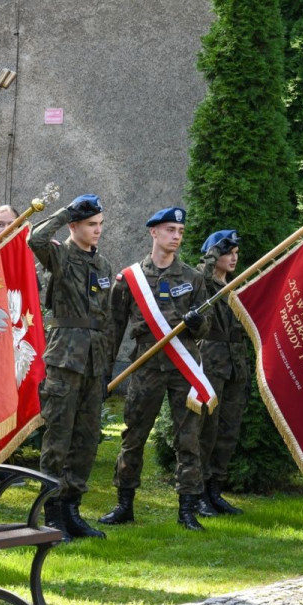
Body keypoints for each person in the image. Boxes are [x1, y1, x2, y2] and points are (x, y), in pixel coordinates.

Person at [100, 207, 213, 531]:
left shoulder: (193, 278)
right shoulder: (130, 279)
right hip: (146, 366)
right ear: (153, 233)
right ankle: (124, 505)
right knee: (134, 435)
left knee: (188, 438)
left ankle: (187, 509)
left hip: (183, 369)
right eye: (170, 230)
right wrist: (105, 372)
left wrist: (197, 323)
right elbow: (114, 327)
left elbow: (206, 328)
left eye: (180, 230)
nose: (176, 236)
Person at [29, 194, 113, 541]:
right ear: (75, 226)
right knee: (58, 437)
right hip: (65, 358)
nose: (97, 231)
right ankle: (51, 513)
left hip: (94, 359)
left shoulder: (104, 266)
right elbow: (34, 238)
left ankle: (72, 509)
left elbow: (105, 315)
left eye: (100, 225)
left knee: (87, 437)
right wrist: (65, 213)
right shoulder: (61, 256)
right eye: (90, 224)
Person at [194, 230, 247, 516]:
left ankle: (216, 491)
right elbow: (201, 274)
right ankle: (199, 492)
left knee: (228, 431)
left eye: (237, 253)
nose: (234, 258)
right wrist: (214, 250)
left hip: (235, 365)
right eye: (228, 252)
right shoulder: (203, 284)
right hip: (211, 363)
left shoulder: (237, 287)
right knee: (207, 430)